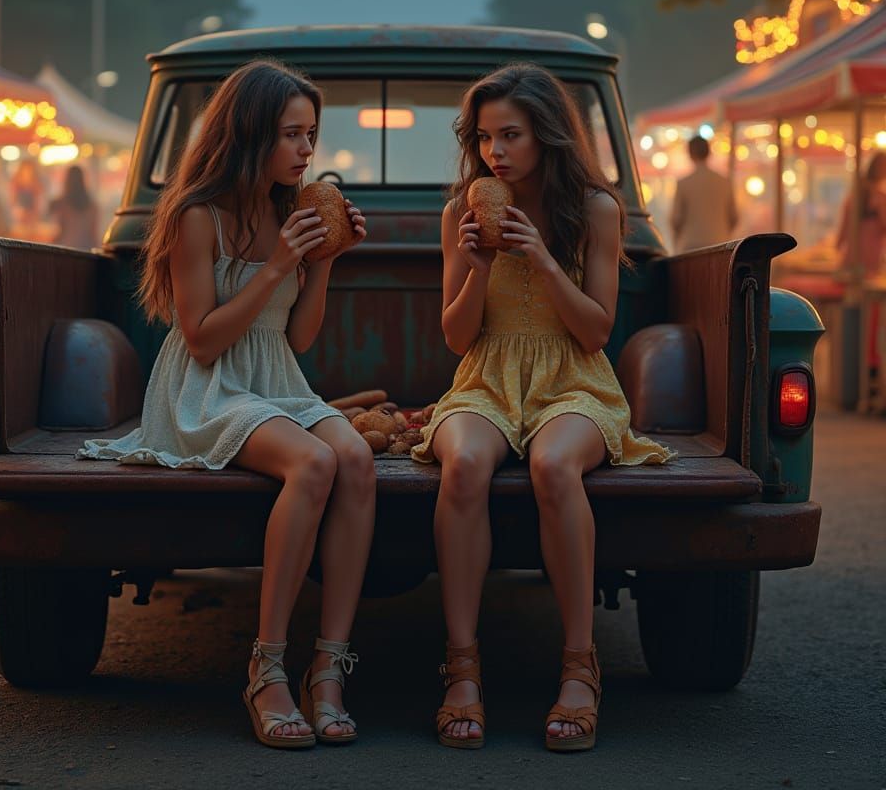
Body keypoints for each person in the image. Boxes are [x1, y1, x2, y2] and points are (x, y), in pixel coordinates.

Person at [79, 60, 375, 749]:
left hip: (275, 381)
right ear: (249, 136)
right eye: (292, 135)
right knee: (313, 465)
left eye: (311, 135)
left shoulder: (291, 210)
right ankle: (267, 668)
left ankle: (329, 669)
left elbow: (296, 336)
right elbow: (204, 340)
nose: (308, 152)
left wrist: (326, 260)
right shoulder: (196, 217)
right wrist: (275, 268)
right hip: (205, 391)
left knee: (355, 459)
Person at [413, 63, 675, 752]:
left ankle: (579, 668)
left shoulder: (593, 209)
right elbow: (456, 336)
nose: (495, 151)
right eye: (483, 137)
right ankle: (462, 670)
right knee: (464, 465)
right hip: (488, 374)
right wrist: (474, 266)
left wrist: (544, 259)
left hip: (572, 379)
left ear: (547, 136)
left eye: (511, 135)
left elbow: (594, 331)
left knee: (556, 468)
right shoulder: (460, 212)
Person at [835, 151, 886, 400]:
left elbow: (841, 234)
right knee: (871, 321)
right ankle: (870, 370)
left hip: (852, 263)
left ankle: (862, 373)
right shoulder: (878, 196)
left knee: (860, 318)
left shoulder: (854, 195)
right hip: (869, 266)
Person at [670, 134, 738, 251]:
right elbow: (734, 217)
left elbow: (676, 219)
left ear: (690, 154)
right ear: (709, 152)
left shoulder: (684, 183)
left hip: (691, 247)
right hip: (720, 245)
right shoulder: (725, 182)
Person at [49, 164, 99, 250]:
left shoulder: (63, 204)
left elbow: (61, 232)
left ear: (67, 181)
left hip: (66, 250)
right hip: (85, 251)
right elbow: (93, 235)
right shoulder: (92, 206)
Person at [9, 159, 44, 231]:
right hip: (19, 217)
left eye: (29, 170)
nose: (27, 173)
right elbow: (12, 201)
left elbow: (39, 202)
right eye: (25, 170)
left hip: (32, 217)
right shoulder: (15, 183)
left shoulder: (36, 185)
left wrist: (34, 215)